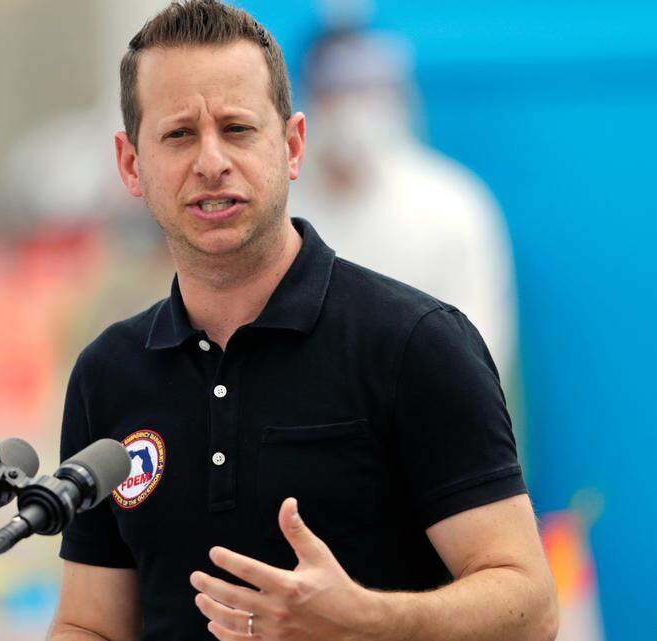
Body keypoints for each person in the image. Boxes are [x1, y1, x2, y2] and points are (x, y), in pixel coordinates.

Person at [48, 2, 558, 640]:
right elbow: (91, 624)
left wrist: (366, 621)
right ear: (130, 164)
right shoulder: (108, 373)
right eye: (179, 135)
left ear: (292, 146)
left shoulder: (415, 343)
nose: (211, 161)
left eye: (237, 128)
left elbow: (531, 608)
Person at [292, 26, 518, 378]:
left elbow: (479, 349)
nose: (352, 108)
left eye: (368, 88)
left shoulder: (455, 206)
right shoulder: (281, 207)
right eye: (334, 89)